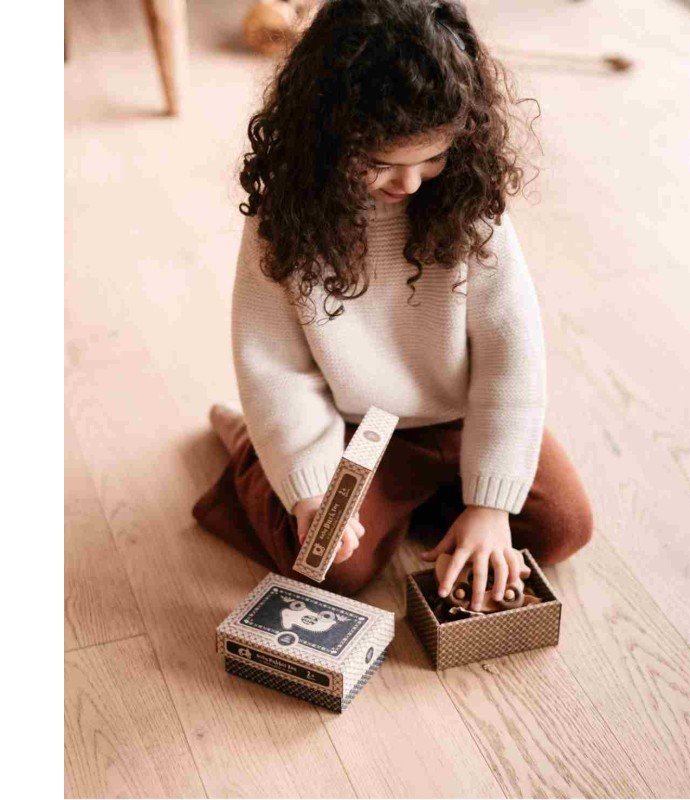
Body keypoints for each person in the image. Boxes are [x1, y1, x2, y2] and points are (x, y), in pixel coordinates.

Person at [192, 0, 593, 612]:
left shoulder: (468, 203)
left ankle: (426, 500)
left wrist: (490, 504)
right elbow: (273, 367)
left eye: (432, 159)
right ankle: (251, 446)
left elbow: (512, 356)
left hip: (458, 419)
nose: (408, 186)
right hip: (355, 430)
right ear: (324, 140)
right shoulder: (285, 223)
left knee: (563, 527)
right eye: (380, 166)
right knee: (330, 568)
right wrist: (306, 486)